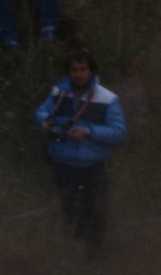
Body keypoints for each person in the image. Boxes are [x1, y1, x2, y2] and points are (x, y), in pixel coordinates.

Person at [34, 50, 126, 249]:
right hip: (62, 164)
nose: (78, 74)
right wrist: (44, 122)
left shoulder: (107, 98)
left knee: (95, 215)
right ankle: (68, 253)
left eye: (83, 69)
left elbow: (118, 133)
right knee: (67, 212)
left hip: (93, 167)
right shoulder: (58, 92)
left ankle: (93, 256)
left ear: (91, 71)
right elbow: (41, 112)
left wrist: (88, 132)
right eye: (74, 70)